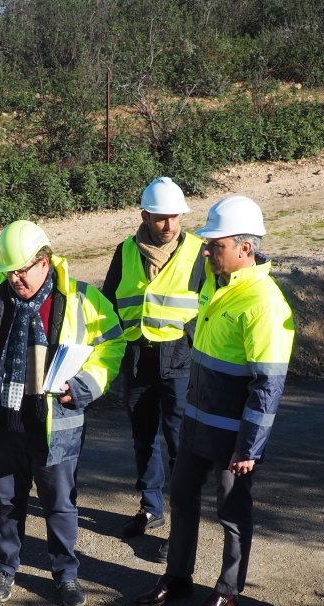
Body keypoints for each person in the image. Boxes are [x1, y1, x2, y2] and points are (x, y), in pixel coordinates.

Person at [0, 220, 125, 606]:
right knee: (8, 502)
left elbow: (112, 344)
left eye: (22, 270)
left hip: (57, 422)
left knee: (60, 504)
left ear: (44, 261)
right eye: (9, 272)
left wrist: (85, 385)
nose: (15, 279)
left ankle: (66, 574)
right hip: (6, 420)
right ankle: (6, 566)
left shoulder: (80, 297)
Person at [132, 196, 295, 606]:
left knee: (232, 514)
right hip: (196, 421)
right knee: (182, 497)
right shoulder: (216, 281)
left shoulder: (263, 302)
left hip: (232, 437)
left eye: (215, 245)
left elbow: (267, 385)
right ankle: (178, 576)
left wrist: (249, 448)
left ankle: (228, 592)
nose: (205, 252)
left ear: (246, 248)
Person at [101, 177, 207, 546]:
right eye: (161, 218)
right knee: (143, 438)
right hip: (137, 358)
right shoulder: (126, 251)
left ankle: (182, 520)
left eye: (174, 217)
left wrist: (192, 340)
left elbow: (211, 304)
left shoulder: (199, 253)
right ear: (145, 216)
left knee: (180, 442)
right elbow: (108, 305)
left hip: (179, 358)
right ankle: (150, 508)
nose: (169, 225)